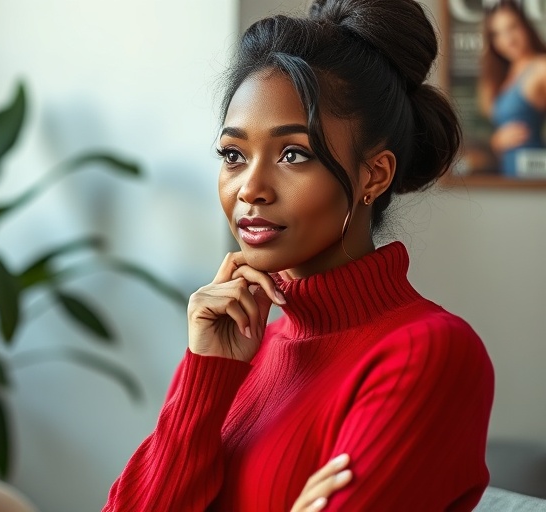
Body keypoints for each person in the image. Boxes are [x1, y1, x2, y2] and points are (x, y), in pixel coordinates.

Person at [103, 0, 495, 510]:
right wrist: (206, 375)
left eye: (294, 154)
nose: (251, 189)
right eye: (233, 156)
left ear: (373, 175)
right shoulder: (232, 348)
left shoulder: (428, 356)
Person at [478, 0, 546, 176]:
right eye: (497, 33)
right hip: (509, 174)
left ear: (526, 27)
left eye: (512, 27)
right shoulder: (503, 74)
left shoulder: (540, 68)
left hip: (533, 173)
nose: (507, 39)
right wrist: (495, 142)